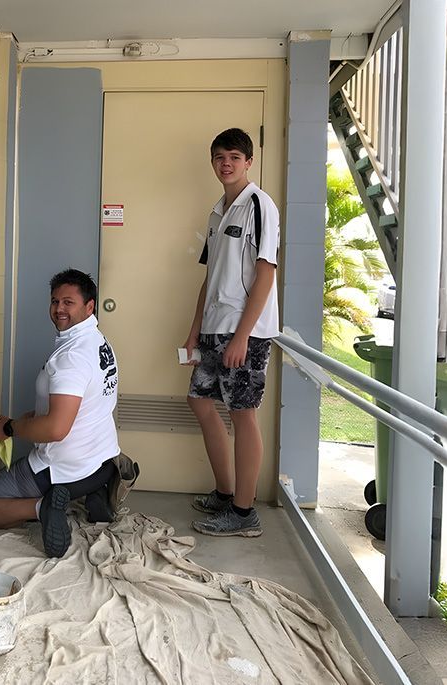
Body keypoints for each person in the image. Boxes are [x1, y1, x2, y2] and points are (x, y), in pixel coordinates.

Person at [0, 268, 120, 557]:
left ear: (89, 307)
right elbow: (71, 407)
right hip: (100, 459)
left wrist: (11, 428)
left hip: (64, 466)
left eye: (68, 302)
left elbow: (55, 429)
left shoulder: (71, 358)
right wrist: (17, 421)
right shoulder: (98, 341)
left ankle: (44, 507)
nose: (59, 309)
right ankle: (95, 491)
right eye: (55, 301)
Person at [182, 127, 280, 538]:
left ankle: (244, 513)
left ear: (249, 162)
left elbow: (265, 273)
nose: (226, 164)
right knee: (199, 402)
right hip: (213, 329)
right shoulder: (217, 211)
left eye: (234, 157)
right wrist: (193, 333)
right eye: (220, 157)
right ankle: (225, 492)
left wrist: (242, 336)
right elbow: (211, 278)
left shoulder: (259, 205)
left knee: (243, 414)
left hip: (246, 332)